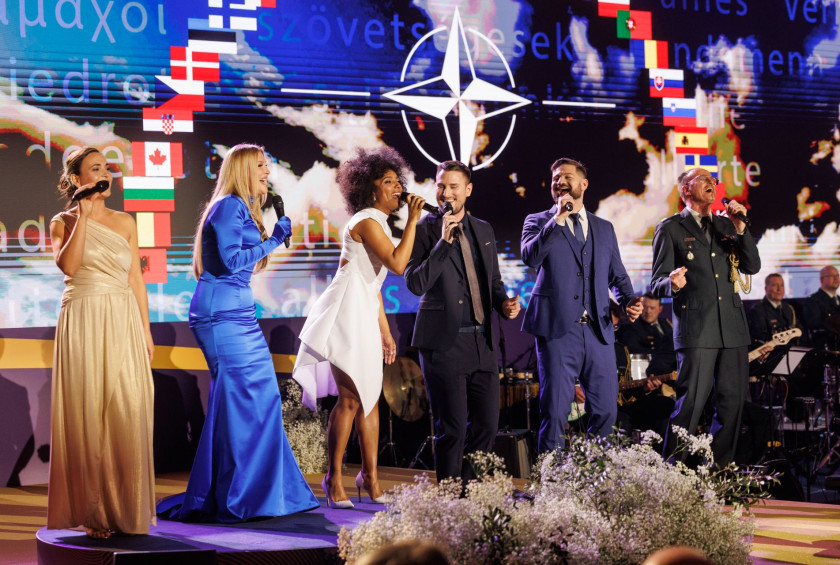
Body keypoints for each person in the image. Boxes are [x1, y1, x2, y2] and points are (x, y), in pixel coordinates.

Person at [162, 143, 318, 522]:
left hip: (239, 314)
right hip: (220, 316)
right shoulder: (229, 205)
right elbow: (232, 261)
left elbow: (243, 264)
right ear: (244, 169)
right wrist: (274, 240)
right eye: (261, 165)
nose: (267, 172)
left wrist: (268, 238)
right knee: (239, 401)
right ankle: (235, 494)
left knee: (258, 398)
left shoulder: (241, 208)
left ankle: (256, 490)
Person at [294, 147, 425, 508]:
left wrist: (385, 330)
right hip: (345, 313)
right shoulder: (366, 221)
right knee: (351, 398)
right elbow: (397, 264)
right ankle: (333, 478)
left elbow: (373, 283)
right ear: (370, 189)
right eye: (389, 182)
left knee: (370, 399)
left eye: (398, 181)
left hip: (364, 311)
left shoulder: (378, 223)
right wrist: (413, 220)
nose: (398, 188)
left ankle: (370, 477)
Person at [47, 147, 155, 537]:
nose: (105, 174)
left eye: (106, 168)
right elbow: (69, 265)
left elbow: (135, 278)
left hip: (123, 317)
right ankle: (93, 510)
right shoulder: (62, 222)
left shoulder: (125, 221)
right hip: (84, 318)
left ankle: (126, 507)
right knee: (89, 412)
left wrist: (145, 330)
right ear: (77, 180)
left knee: (127, 409)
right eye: (95, 169)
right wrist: (83, 213)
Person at [405, 160, 520, 485]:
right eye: (441, 186)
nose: (446, 193)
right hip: (444, 344)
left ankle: (469, 496)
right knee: (452, 429)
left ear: (468, 190)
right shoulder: (423, 229)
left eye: (453, 187)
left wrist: (504, 304)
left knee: (486, 427)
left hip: (483, 342)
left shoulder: (483, 229)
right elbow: (415, 283)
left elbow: (493, 282)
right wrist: (444, 243)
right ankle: (448, 500)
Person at [521, 157, 642, 454]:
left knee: (606, 411)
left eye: (566, 176)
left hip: (598, 330)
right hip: (558, 330)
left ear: (583, 184)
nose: (560, 182)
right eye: (555, 178)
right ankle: (550, 476)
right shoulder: (538, 221)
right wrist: (557, 219)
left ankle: (596, 474)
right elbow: (530, 257)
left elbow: (617, 275)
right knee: (555, 411)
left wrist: (628, 301)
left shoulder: (604, 228)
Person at [650, 167, 760, 466]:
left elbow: (752, 266)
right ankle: (673, 473)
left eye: (714, 180)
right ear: (686, 189)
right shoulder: (671, 228)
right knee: (691, 405)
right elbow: (656, 282)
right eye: (704, 180)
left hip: (732, 328)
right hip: (697, 329)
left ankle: (717, 473)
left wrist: (741, 228)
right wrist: (671, 283)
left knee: (731, 406)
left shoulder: (727, 224)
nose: (712, 184)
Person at [616, 292, 677, 441]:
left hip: (662, 383)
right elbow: (633, 349)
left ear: (660, 309)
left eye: (652, 308)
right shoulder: (632, 327)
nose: (648, 311)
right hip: (639, 381)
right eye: (645, 307)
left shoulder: (667, 325)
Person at [747, 273, 803, 345]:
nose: (779, 289)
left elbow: (799, 331)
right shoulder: (758, 311)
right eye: (774, 285)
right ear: (766, 288)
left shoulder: (789, 308)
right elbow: (760, 338)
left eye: (782, 285)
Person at [803, 265, 840, 350]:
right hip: (825, 347)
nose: (836, 278)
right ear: (822, 279)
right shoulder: (813, 301)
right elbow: (814, 324)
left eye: (837, 275)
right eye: (832, 276)